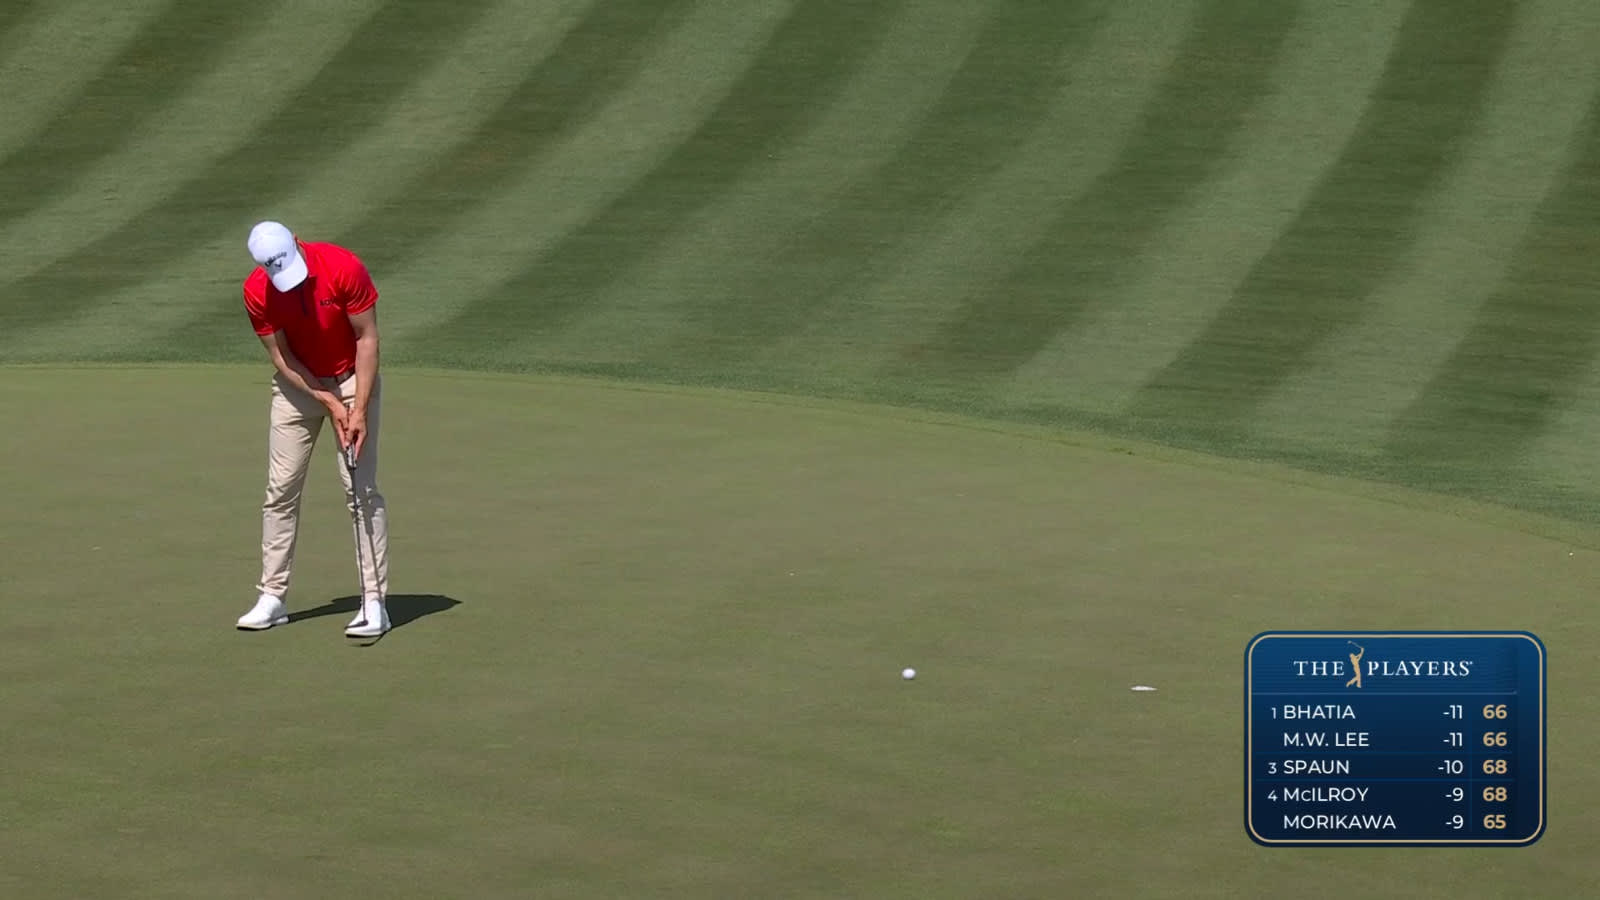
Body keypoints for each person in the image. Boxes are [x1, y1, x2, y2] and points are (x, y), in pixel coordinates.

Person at [233, 221, 391, 638]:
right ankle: (272, 597)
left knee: (360, 490)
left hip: (355, 377)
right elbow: (283, 358)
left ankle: (374, 603)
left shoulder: (342, 266)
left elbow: (368, 339)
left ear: (298, 245)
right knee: (280, 489)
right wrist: (326, 400)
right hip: (299, 387)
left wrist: (355, 409)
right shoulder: (257, 292)